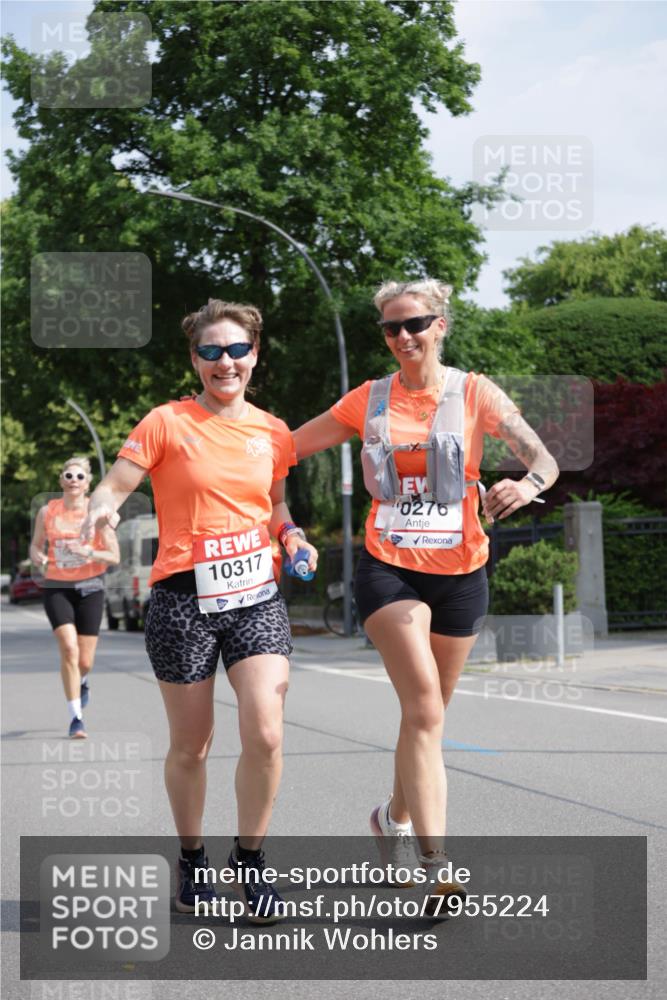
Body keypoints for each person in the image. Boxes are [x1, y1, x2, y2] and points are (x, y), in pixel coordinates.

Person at [294, 279, 558, 909]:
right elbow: (284, 448)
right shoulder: (369, 399)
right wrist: (277, 513)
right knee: (425, 711)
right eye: (391, 328)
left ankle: (391, 817)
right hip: (390, 570)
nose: (403, 337)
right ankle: (438, 863)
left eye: (414, 324)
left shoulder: (475, 392)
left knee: (427, 717)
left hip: (462, 570)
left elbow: (542, 456)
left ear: (440, 325)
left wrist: (526, 485)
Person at [81, 299, 317, 923]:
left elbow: (276, 506)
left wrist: (292, 536)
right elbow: (115, 483)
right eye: (211, 351)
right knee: (192, 745)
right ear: (195, 359)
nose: (225, 361)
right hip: (183, 598)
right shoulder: (165, 421)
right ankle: (192, 860)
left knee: (265, 730)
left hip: (256, 597)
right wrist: (102, 507)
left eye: (236, 349)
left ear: (254, 355)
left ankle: (250, 858)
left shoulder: (273, 431)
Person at [30, 456, 120, 739]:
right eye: (68, 475)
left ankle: (82, 679)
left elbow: (114, 556)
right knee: (69, 649)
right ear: (61, 481)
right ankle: (76, 718)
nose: (73, 480)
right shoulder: (48, 512)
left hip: (91, 586)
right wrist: (39, 557)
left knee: (85, 661)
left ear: (87, 483)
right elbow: (34, 547)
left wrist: (88, 553)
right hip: (57, 586)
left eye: (79, 477)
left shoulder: (98, 512)